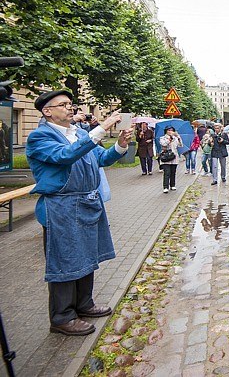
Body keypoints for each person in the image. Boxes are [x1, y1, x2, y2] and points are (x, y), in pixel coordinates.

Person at [26, 90, 134, 336]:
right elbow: (64, 157)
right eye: (63, 105)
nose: (69, 108)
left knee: (87, 255)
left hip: (87, 202)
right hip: (61, 207)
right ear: (47, 111)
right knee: (64, 260)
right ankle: (62, 316)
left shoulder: (81, 134)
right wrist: (102, 128)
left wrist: (121, 144)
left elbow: (102, 160)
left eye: (70, 104)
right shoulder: (39, 136)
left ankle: (84, 304)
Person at [159, 125, 183, 193]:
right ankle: (165, 186)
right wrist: (170, 139)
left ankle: (172, 185)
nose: (170, 132)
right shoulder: (162, 138)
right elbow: (163, 144)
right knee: (167, 172)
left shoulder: (175, 138)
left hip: (174, 156)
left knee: (173, 172)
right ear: (166, 131)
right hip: (166, 156)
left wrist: (178, 137)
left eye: (172, 130)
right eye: (169, 130)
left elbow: (180, 145)